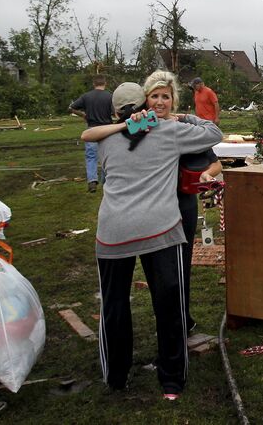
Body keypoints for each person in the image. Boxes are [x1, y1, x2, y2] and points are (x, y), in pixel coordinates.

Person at [83, 72, 222, 400]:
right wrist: (181, 117)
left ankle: (116, 377)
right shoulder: (170, 131)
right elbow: (213, 132)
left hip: (113, 232)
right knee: (169, 305)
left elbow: (90, 135)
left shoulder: (103, 140)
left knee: (114, 306)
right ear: (147, 102)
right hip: (159, 229)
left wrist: (125, 126)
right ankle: (172, 379)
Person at [69, 74, 113, 193]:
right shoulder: (110, 96)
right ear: (105, 83)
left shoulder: (86, 96)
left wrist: (83, 115)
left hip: (92, 130)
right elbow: (115, 112)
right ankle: (105, 181)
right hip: (106, 131)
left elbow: (72, 108)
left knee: (91, 157)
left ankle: (92, 181)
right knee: (105, 157)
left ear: (94, 84)